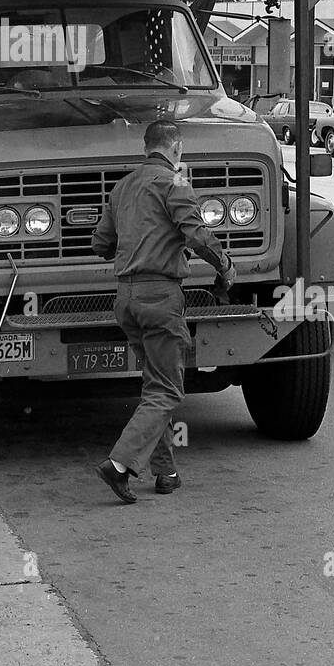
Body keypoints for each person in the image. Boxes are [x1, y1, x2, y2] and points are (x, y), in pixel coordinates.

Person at [92, 119, 236, 505]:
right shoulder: (175, 183)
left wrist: (135, 243)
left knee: (154, 385)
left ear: (146, 148)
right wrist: (224, 264)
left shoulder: (122, 187)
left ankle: (165, 471)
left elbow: (101, 243)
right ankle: (119, 464)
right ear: (176, 149)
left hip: (126, 299)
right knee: (168, 389)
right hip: (160, 298)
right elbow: (196, 234)